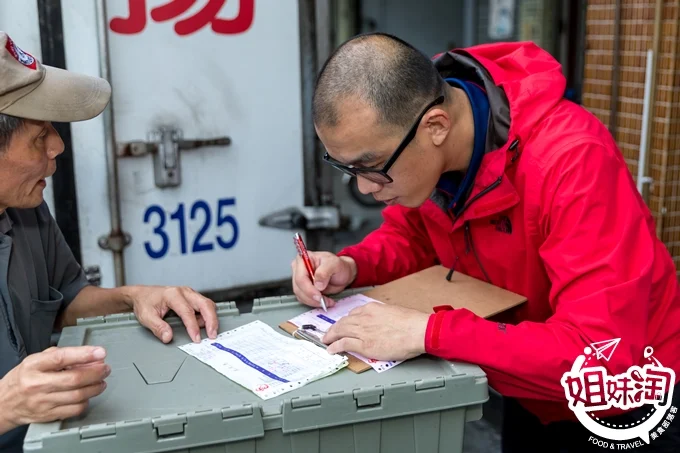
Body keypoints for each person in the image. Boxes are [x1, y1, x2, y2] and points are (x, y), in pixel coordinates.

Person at [292, 33, 680, 451]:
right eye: (347, 168)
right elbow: (411, 236)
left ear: (436, 126)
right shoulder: (424, 147)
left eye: (370, 167)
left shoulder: (573, 162)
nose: (365, 188)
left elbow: (602, 356)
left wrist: (430, 332)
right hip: (528, 384)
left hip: (631, 404)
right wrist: (352, 265)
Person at [0, 31, 220, 452]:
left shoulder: (25, 207)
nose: (58, 146)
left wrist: (134, 297)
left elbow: (65, 303)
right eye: (38, 135)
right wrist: (6, 406)